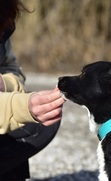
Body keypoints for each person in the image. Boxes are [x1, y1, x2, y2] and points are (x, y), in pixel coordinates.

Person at [0, 0, 65, 180]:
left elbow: (12, 68)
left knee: (44, 120)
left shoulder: (4, 21)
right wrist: (23, 107)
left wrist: (5, 84)